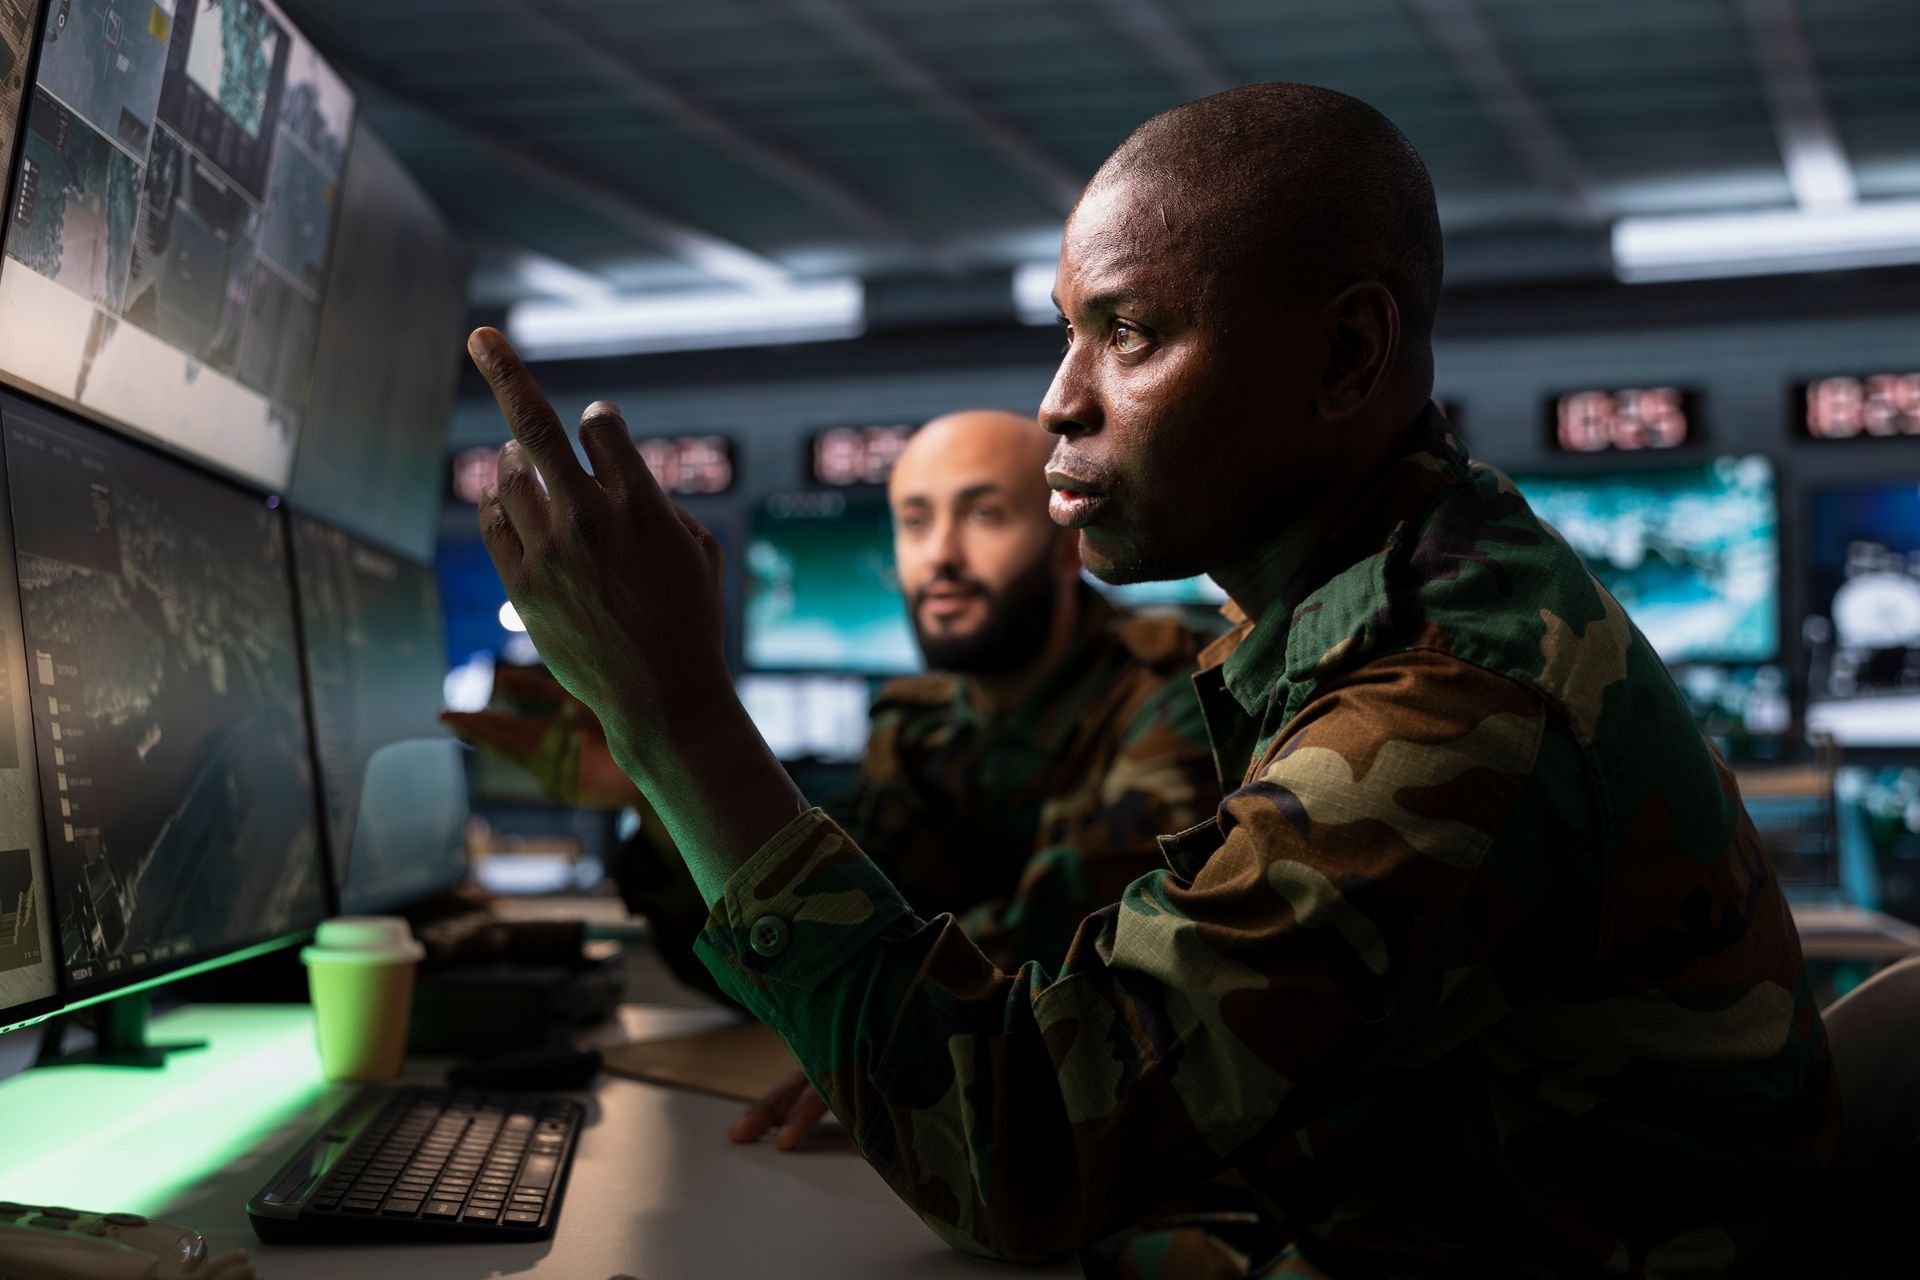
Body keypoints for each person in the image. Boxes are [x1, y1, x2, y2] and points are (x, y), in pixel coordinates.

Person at [460, 82, 1836, 1278]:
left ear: (1346, 356)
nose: (1060, 400)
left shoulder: (1451, 695)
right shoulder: (1364, 614)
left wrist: (675, 714)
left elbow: (1017, 1147)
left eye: (1127, 334)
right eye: (1068, 330)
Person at [445, 410, 1222, 1148]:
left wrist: (873, 1019)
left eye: (984, 515)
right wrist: (652, 793)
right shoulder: (915, 725)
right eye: (915, 521)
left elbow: (1074, 949)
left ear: (1065, 546)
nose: (941, 555)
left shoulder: (1175, 692)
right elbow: (798, 942)